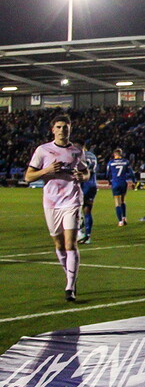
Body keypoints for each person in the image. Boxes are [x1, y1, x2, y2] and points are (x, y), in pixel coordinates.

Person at [25, 115, 90, 301]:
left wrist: (83, 177)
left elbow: (85, 171)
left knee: (70, 244)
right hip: (52, 202)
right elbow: (28, 177)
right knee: (59, 245)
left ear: (70, 129)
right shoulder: (43, 150)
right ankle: (70, 275)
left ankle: (70, 287)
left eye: (65, 127)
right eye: (59, 127)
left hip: (72, 200)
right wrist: (47, 170)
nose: (62, 130)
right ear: (53, 130)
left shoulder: (76, 151)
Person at [106, 148, 133, 226]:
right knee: (123, 200)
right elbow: (131, 173)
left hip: (115, 183)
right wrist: (133, 181)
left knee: (117, 203)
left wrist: (109, 181)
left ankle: (120, 221)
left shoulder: (111, 162)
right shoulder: (126, 162)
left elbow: (107, 174)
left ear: (114, 154)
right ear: (121, 154)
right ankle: (124, 217)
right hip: (123, 183)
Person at [78, 141, 98, 244]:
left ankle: (78, 232)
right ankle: (88, 235)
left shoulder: (78, 155)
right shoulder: (93, 156)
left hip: (82, 184)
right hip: (92, 184)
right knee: (87, 211)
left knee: (75, 210)